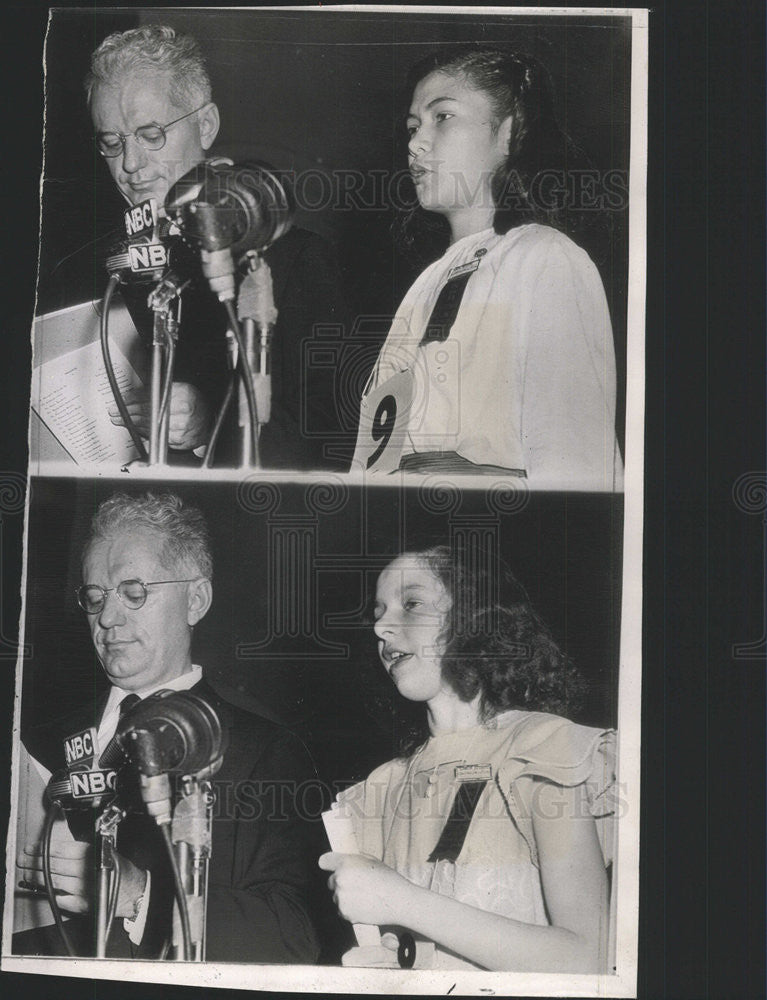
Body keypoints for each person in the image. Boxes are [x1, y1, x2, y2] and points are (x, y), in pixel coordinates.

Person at [14, 491, 321, 962]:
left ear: (196, 599)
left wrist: (140, 897)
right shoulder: (33, 742)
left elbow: (292, 937)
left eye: (134, 593)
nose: (108, 619)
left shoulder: (265, 750)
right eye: (94, 599)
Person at [41, 24, 349, 469]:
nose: (130, 164)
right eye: (111, 143)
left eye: (151, 135)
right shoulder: (92, 269)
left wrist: (209, 430)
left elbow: (333, 432)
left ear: (205, 125)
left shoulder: (294, 258)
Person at [319, 545, 617, 972]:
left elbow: (589, 958)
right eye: (379, 611)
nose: (381, 627)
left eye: (411, 604)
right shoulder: (383, 788)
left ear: (473, 617)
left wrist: (402, 900)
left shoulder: (544, 749)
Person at [354, 45, 623, 489]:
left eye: (442, 117)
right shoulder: (422, 285)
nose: (415, 142)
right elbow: (374, 456)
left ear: (509, 133)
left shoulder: (545, 258)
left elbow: (575, 463)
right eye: (412, 126)